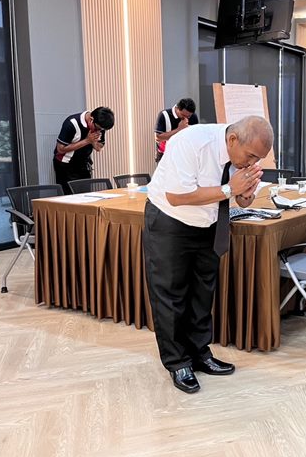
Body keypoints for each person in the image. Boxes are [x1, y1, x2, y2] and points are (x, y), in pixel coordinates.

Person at [143, 116, 274, 393]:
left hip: (209, 223)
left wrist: (246, 193)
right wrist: (230, 189)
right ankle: (178, 362)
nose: (252, 163)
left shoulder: (241, 154)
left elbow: (242, 199)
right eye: (251, 156)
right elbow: (176, 196)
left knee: (203, 292)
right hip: (171, 222)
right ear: (232, 139)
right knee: (171, 295)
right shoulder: (191, 142)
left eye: (258, 159)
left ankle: (200, 353)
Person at [53, 107, 115, 194]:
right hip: (65, 164)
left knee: (86, 195)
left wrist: (93, 141)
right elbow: (60, 149)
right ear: (91, 119)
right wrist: (87, 141)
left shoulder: (100, 126)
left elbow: (98, 148)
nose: (99, 131)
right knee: (69, 197)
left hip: (83, 164)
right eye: (98, 128)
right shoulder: (72, 123)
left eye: (102, 129)